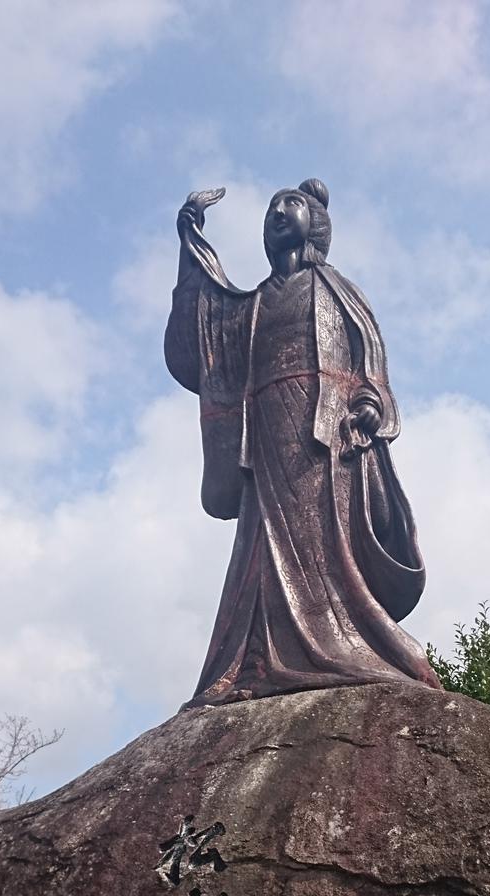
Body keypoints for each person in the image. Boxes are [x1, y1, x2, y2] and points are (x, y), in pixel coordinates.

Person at [164, 178, 441, 704]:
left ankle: (341, 640)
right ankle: (258, 659)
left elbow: (367, 358)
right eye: (270, 207)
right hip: (265, 431)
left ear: (315, 221)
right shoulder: (252, 305)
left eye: (289, 204)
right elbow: (206, 332)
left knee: (321, 536)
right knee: (262, 545)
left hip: (325, 431)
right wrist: (191, 237)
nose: (277, 212)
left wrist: (368, 404)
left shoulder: (337, 289)